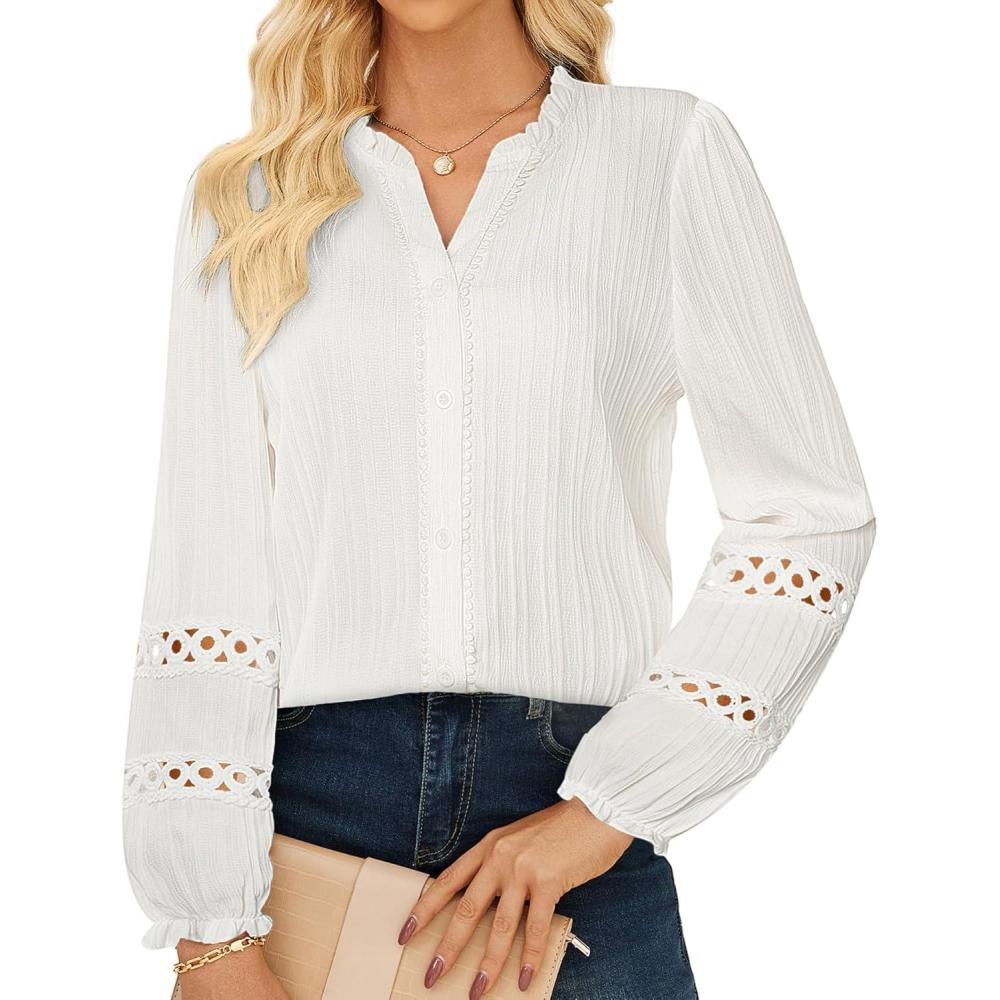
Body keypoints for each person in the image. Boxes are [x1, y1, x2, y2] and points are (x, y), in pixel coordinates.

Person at [121, 1, 877, 997]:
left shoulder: (663, 155)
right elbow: (206, 559)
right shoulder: (252, 193)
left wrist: (605, 809)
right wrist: (208, 927)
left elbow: (809, 515)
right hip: (305, 835)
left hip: (574, 823)